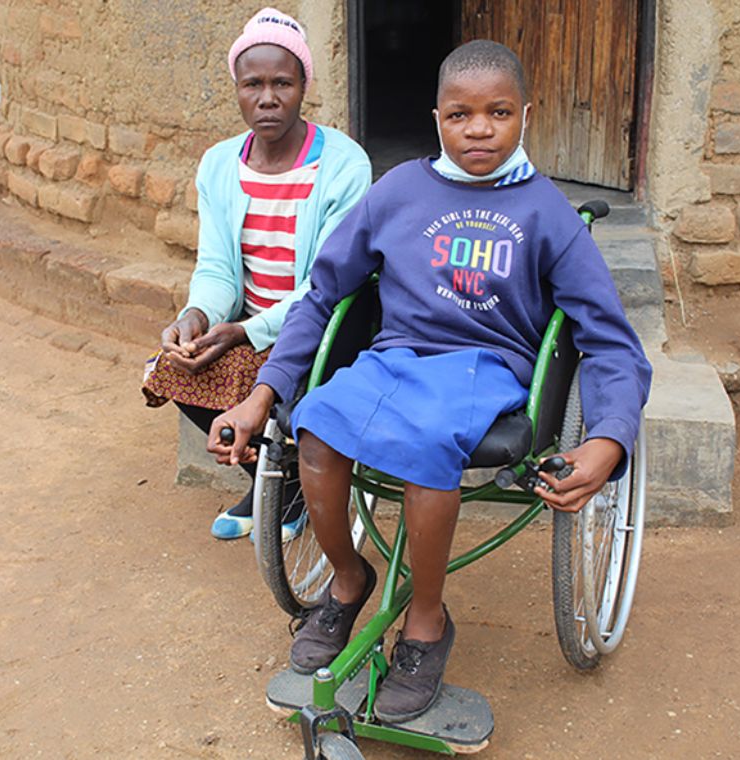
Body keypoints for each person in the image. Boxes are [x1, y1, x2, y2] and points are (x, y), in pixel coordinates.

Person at [208, 40, 652, 722]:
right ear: (437, 118)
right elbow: (323, 296)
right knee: (318, 427)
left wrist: (609, 439)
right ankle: (350, 579)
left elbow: (609, 341)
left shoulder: (547, 214)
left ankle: (425, 620)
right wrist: (265, 391)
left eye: (497, 113)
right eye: (460, 115)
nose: (478, 129)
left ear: (525, 115)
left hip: (485, 368)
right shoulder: (399, 192)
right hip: (394, 357)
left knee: (424, 447)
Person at [142, 7, 372, 540]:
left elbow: (328, 287)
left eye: (282, 83)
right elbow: (218, 267)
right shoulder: (220, 165)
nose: (267, 98)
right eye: (253, 84)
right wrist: (198, 317)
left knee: (271, 370)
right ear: (237, 89)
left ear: (303, 87)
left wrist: (245, 332)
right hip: (245, 325)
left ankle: (286, 476)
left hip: (321, 332)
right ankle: (277, 479)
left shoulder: (343, 165)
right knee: (172, 367)